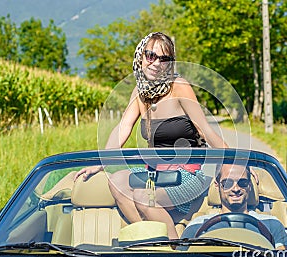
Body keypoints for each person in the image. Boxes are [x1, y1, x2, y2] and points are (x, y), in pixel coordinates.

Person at [74, 32, 228, 239]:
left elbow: (206, 131)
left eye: (164, 59)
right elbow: (123, 127)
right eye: (151, 56)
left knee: (142, 195)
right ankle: (148, 236)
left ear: (170, 64)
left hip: (186, 174)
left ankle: (173, 246)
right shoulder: (140, 92)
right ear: (141, 56)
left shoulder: (179, 86)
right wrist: (102, 161)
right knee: (116, 181)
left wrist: (235, 161)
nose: (156, 63)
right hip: (154, 174)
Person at [180, 164, 287, 250]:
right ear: (217, 184)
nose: (236, 188)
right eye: (228, 183)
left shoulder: (272, 224)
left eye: (242, 182)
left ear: (250, 185)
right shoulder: (197, 225)